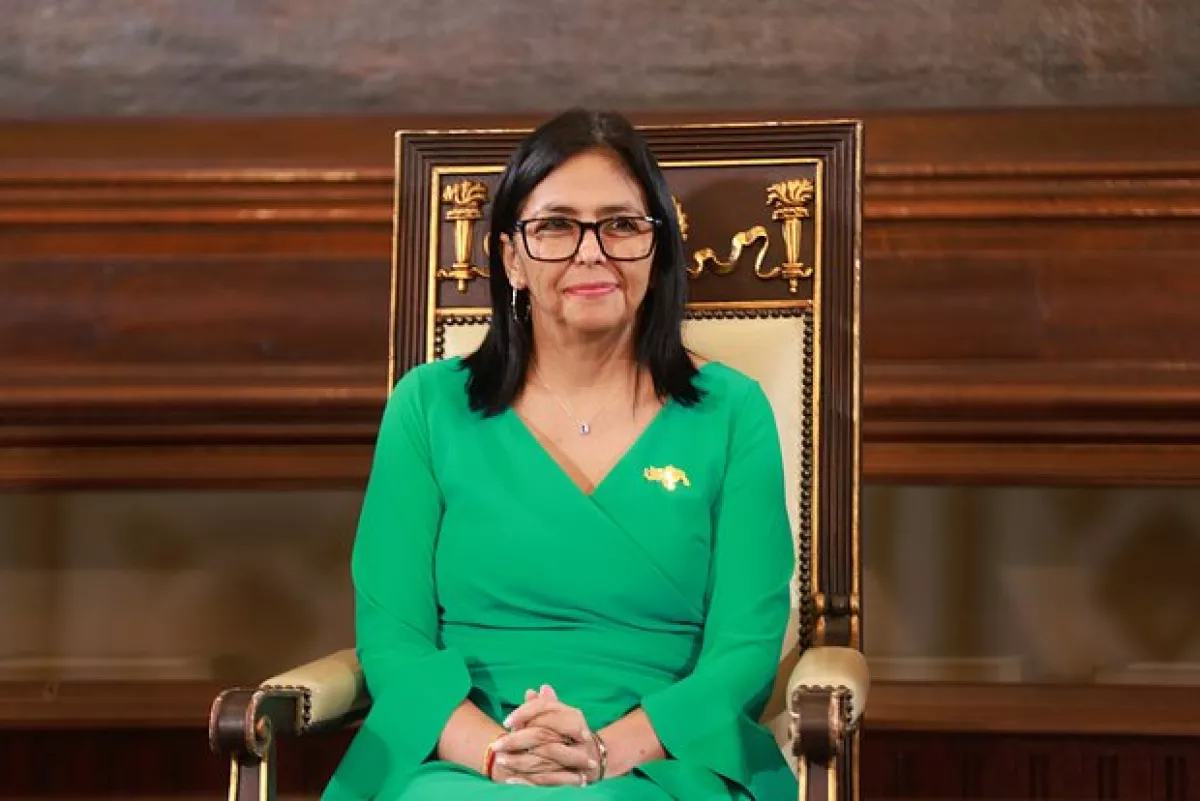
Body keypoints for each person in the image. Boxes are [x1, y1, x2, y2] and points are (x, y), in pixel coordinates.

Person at [321, 108, 797, 801]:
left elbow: (745, 649)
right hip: (461, 759)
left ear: (658, 249)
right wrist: (500, 756)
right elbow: (394, 640)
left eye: (621, 224)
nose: (591, 252)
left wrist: (601, 753)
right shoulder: (426, 407)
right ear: (511, 257)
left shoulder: (733, 412)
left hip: (660, 760)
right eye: (555, 226)